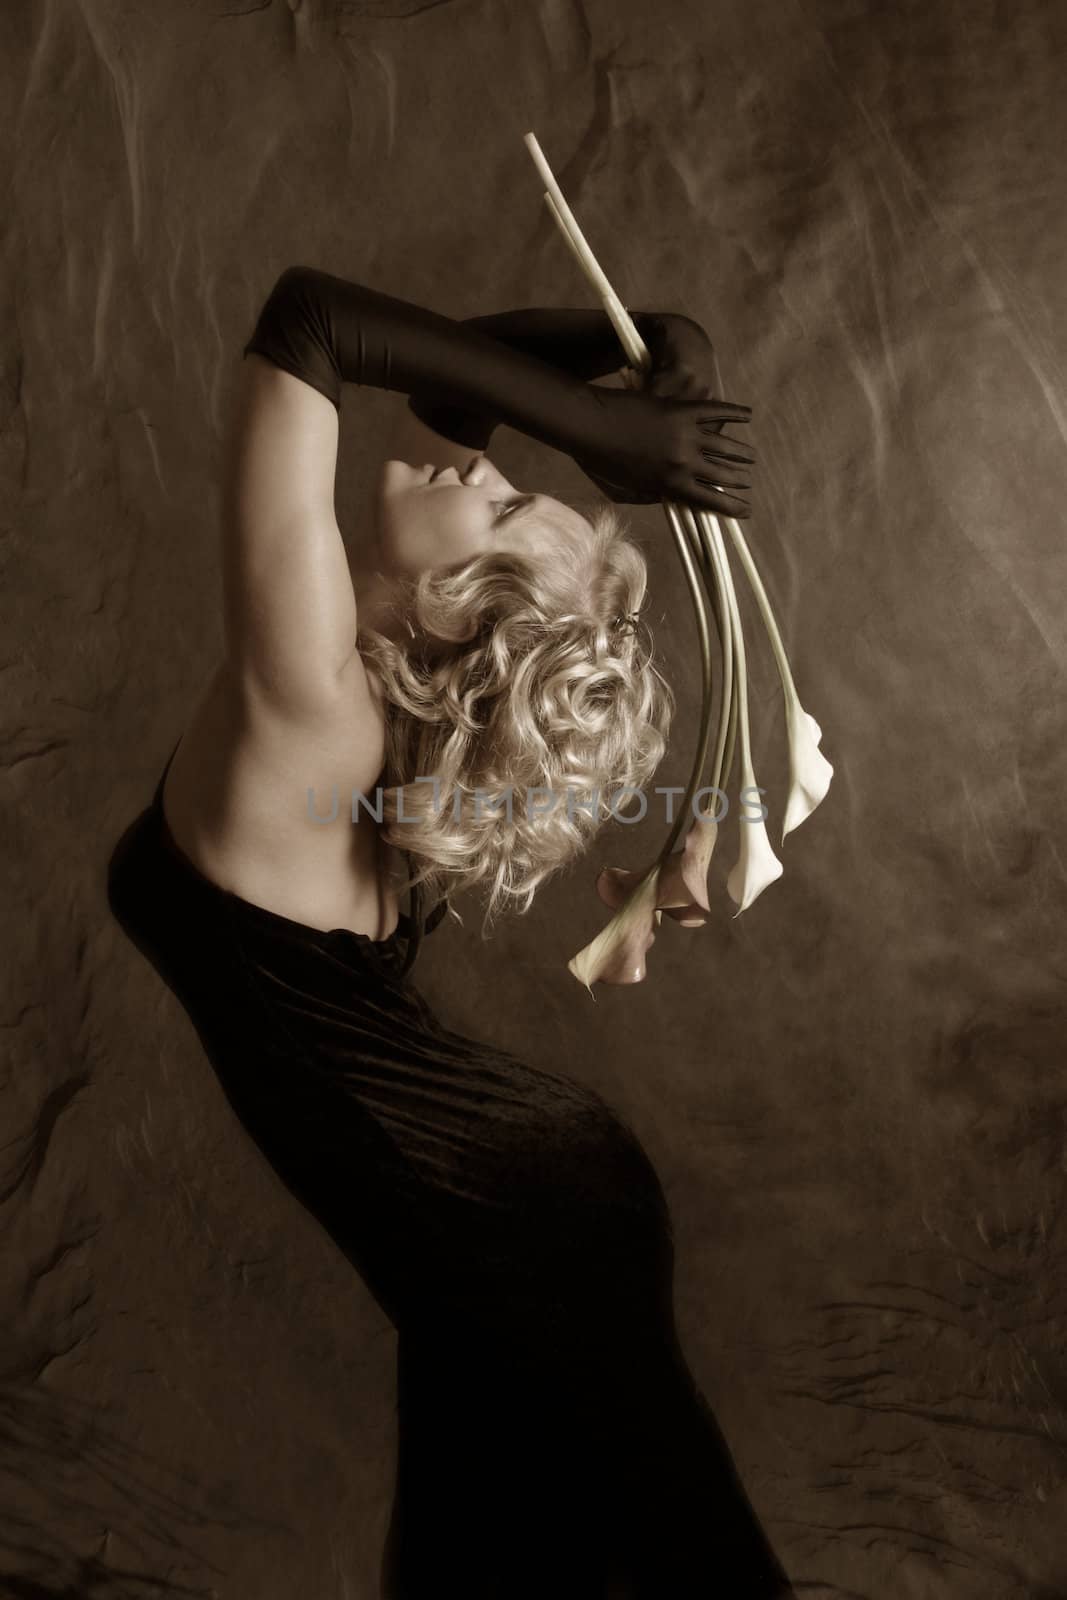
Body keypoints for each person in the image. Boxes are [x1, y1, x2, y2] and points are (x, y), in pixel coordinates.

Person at [106, 264, 793, 1596]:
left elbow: (309, 320)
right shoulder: (391, 712)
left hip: (517, 1228)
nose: (480, 470)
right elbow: (444, 393)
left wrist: (596, 434)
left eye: (504, 503)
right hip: (526, 1215)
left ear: (463, 605)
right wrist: (640, 343)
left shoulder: (309, 701)